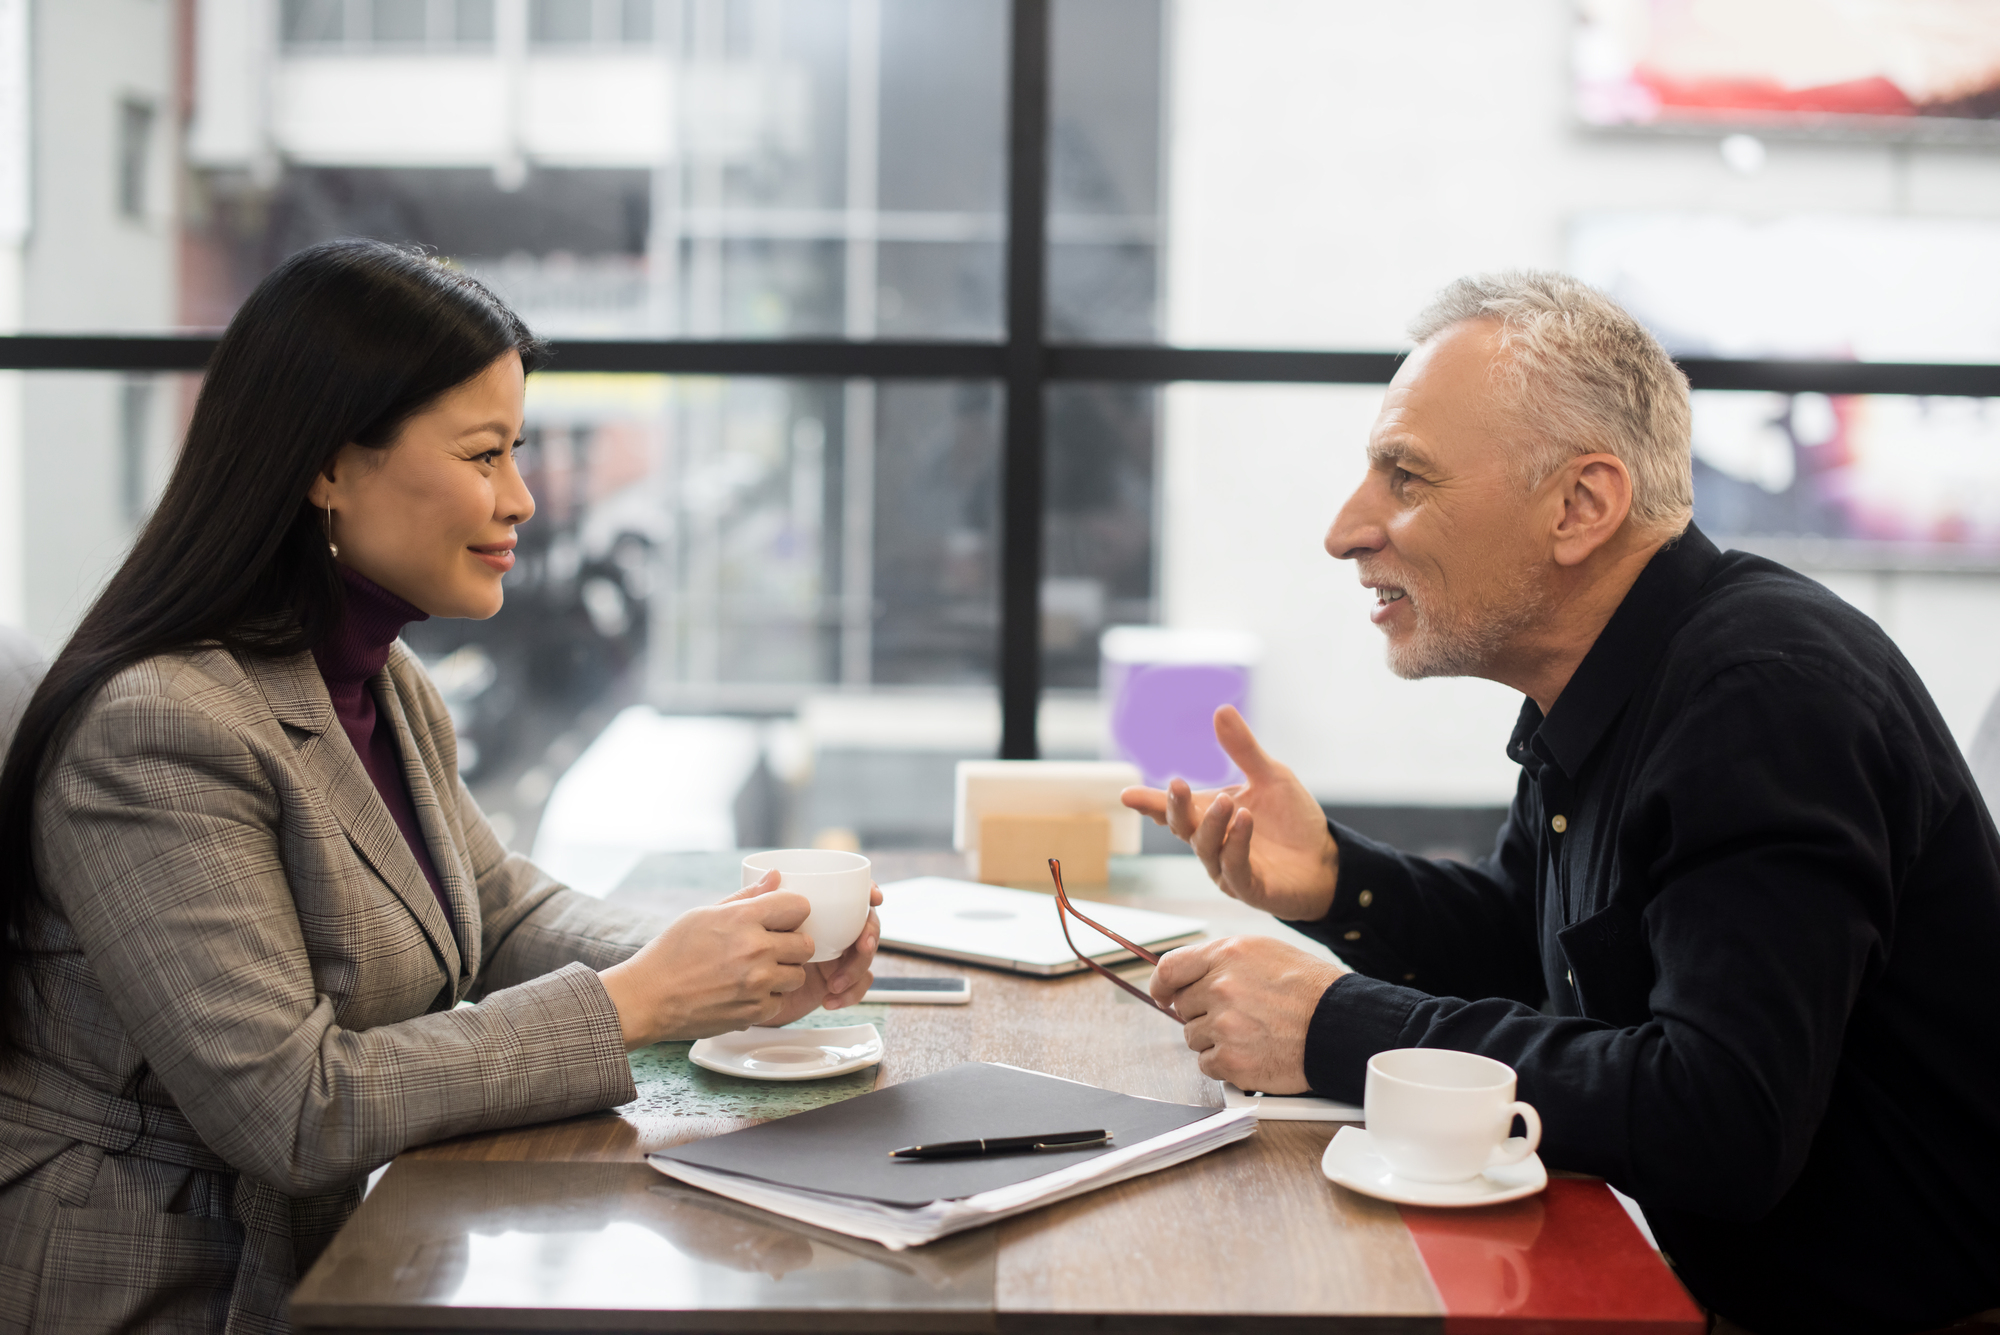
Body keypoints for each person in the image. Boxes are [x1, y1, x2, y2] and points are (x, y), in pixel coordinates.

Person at [0, 240, 881, 1333]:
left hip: (351, 1238)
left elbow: (501, 908)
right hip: (169, 1278)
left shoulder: (377, 677)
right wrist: (640, 1002)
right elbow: (294, 1107)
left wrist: (733, 952)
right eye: (481, 456)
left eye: (517, 452)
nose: (520, 499)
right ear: (327, 464)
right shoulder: (157, 732)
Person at [1124, 273, 2000, 1335]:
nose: (1345, 529)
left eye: (1403, 477)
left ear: (1580, 506)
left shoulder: (1761, 700)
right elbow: (1534, 953)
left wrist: (1328, 1025)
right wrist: (1335, 882)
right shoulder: (1610, 680)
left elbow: (1719, 1117)